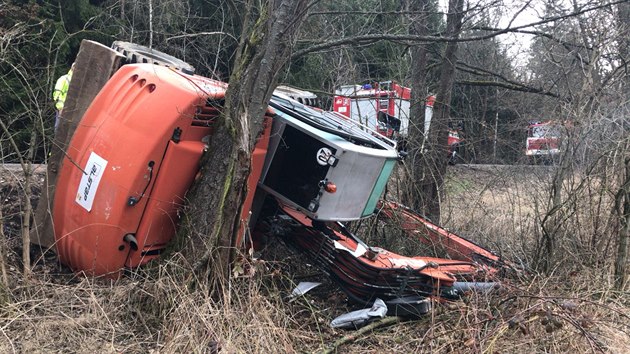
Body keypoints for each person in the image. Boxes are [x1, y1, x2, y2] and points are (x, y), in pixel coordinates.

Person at [52, 63, 74, 131]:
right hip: (63, 109)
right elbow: (57, 94)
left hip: (73, 111)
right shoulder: (64, 79)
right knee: (59, 130)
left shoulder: (80, 81)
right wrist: (60, 108)